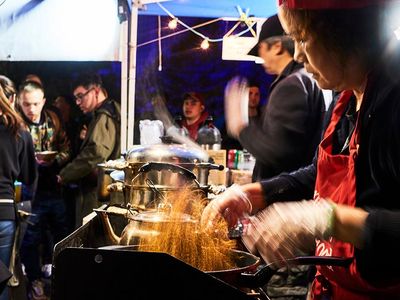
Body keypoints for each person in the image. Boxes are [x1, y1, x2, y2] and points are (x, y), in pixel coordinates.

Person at [202, 0, 400, 299]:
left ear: (346, 31)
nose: (297, 54)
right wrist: (257, 193)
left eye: (302, 38)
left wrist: (327, 219)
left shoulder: (394, 99)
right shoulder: (346, 95)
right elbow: (319, 174)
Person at [225, 14, 327, 182]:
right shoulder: (309, 78)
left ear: (277, 47)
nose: (261, 57)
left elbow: (278, 153)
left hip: (284, 197)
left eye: (261, 49)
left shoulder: (291, 85)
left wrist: (240, 127)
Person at [17, 80, 70, 300]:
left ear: (43, 102)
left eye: (35, 104)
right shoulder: (17, 125)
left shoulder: (54, 120)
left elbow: (67, 149)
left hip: (52, 187)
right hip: (29, 191)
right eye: (27, 104)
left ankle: (62, 279)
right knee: (30, 238)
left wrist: (55, 160)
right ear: (20, 102)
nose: (31, 109)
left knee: (61, 233)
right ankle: (35, 281)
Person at [58, 72, 121, 229]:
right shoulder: (113, 109)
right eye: (76, 98)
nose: (78, 102)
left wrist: (65, 175)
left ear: (96, 91)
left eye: (81, 96)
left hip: (99, 192)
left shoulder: (104, 116)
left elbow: (96, 152)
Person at [0, 75, 37, 300]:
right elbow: (28, 175)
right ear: (12, 98)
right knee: (2, 279)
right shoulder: (20, 132)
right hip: (4, 214)